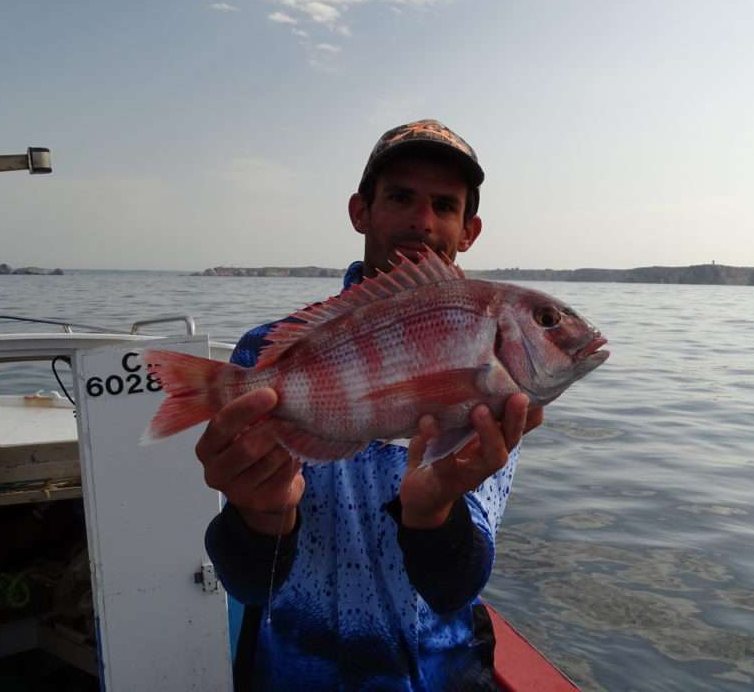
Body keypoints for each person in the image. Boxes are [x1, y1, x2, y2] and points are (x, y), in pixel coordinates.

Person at [200, 119, 544, 691]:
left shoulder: (498, 381)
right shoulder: (267, 352)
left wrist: (433, 515)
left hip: (438, 674)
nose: (422, 221)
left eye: (445, 205)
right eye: (401, 197)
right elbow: (247, 584)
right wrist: (259, 514)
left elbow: (457, 585)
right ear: (361, 210)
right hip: (293, 671)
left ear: (469, 230)